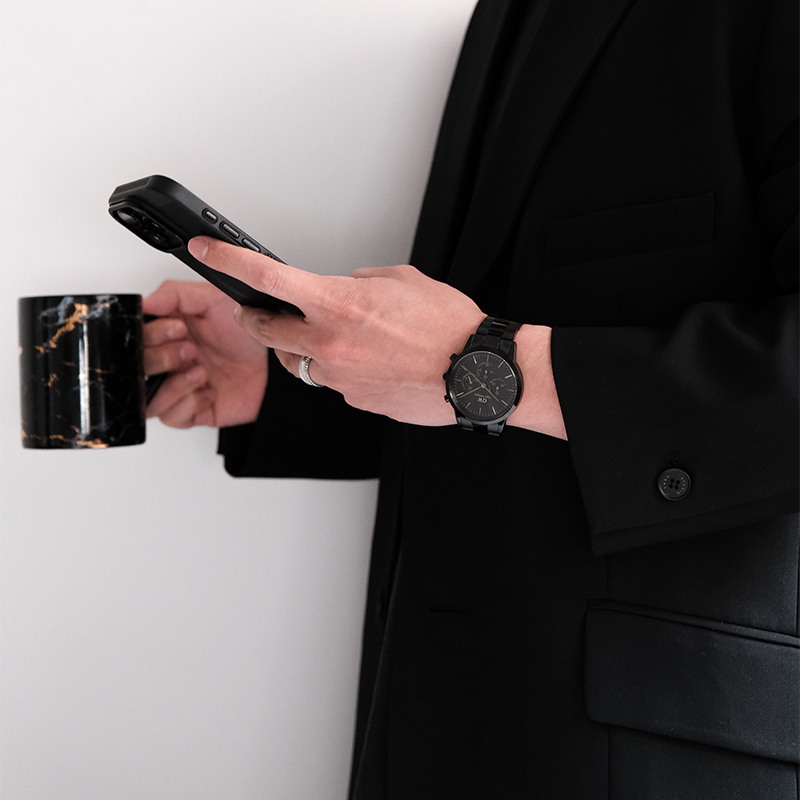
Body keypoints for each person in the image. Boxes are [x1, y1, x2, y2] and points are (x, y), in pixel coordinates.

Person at [143, 0, 799, 796]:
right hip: (451, 717)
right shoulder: (514, 16)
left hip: (665, 750)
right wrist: (294, 375)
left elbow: (476, 362)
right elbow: (494, 383)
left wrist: (476, 362)